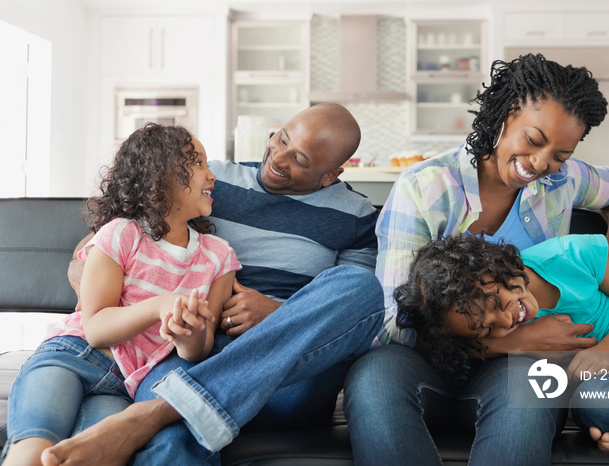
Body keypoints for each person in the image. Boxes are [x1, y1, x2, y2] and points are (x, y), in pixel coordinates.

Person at [40, 102, 385, 466]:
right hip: (190, 352)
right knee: (173, 436)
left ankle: (160, 411)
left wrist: (277, 313)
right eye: (281, 139)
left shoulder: (357, 216)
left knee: (361, 287)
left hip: (287, 377)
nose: (278, 158)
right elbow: (112, 235)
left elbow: (352, 320)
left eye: (299, 159)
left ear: (331, 175)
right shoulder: (213, 179)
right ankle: (173, 410)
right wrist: (84, 267)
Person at [343, 53, 609, 465]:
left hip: (513, 370)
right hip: (419, 362)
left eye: (560, 153)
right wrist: (509, 341)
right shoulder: (426, 188)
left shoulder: (563, 178)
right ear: (504, 114)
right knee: (372, 378)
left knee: (529, 393)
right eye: (535, 140)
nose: (542, 164)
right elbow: (394, 323)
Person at [1, 123, 241, 465]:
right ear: (164, 175)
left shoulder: (219, 257)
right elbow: (96, 327)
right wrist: (160, 306)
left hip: (123, 385)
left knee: (89, 456)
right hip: (73, 355)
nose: (212, 175)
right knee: (33, 449)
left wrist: (190, 334)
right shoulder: (121, 234)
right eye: (199, 163)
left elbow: (198, 352)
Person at [396, 234, 609, 452]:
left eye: (496, 302)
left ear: (492, 265)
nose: (506, 322)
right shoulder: (506, 342)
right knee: (595, 403)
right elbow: (568, 384)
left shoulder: (569, 256)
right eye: (487, 329)